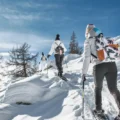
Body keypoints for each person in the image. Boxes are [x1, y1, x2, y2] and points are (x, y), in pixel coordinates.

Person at [81, 24, 120, 120]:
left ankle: (98, 111)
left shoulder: (88, 41)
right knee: (113, 89)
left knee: (98, 88)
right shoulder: (103, 38)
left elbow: (86, 58)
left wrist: (83, 73)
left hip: (99, 66)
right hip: (112, 65)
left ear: (87, 31)